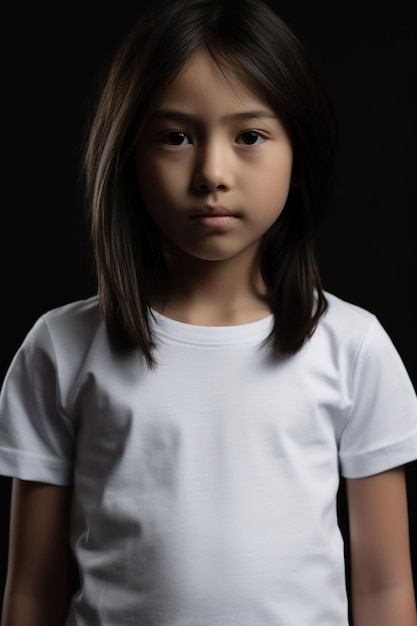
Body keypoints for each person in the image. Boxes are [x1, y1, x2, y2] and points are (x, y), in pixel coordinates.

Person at [1, 0, 417, 623]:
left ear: (298, 155)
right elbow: (32, 591)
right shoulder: (60, 345)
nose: (212, 173)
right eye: (176, 137)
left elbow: (385, 589)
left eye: (249, 136)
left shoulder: (352, 346)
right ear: (128, 158)